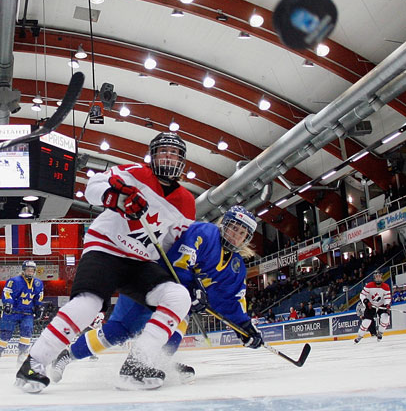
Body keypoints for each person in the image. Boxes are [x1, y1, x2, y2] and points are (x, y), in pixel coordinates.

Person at [16, 132, 196, 393]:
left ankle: (138, 363)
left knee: (179, 297)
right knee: (89, 303)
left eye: (174, 153)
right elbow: (93, 186)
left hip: (140, 261)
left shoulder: (187, 203)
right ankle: (35, 362)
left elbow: (170, 242)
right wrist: (117, 197)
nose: (168, 157)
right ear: (153, 156)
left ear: (182, 161)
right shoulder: (135, 172)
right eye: (163, 151)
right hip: (106, 247)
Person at [48, 206, 262, 388]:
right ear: (224, 223)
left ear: (246, 239)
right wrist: (192, 289)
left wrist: (244, 327)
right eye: (233, 227)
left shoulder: (236, 268)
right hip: (151, 281)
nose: (235, 234)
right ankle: (68, 354)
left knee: (179, 321)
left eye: (241, 232)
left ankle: (154, 363)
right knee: (121, 330)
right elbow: (181, 261)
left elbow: (229, 300)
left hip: (177, 298)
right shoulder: (206, 232)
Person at [0, 261, 44, 364]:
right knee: (5, 334)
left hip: (27, 312)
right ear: (23, 270)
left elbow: (39, 296)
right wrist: (8, 303)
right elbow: (7, 292)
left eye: (32, 270)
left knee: (27, 331)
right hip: (12, 311)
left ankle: (22, 354)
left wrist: (38, 306)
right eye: (28, 269)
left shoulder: (38, 283)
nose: (30, 272)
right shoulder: (14, 281)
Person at [354, 270, 391, 343]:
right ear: (374, 278)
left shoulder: (386, 287)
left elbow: (387, 298)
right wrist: (366, 301)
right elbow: (362, 295)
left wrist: (387, 304)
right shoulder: (369, 285)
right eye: (376, 277)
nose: (378, 278)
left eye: (379, 276)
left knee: (385, 318)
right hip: (371, 306)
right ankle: (360, 336)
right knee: (367, 321)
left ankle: (380, 333)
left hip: (381, 305)